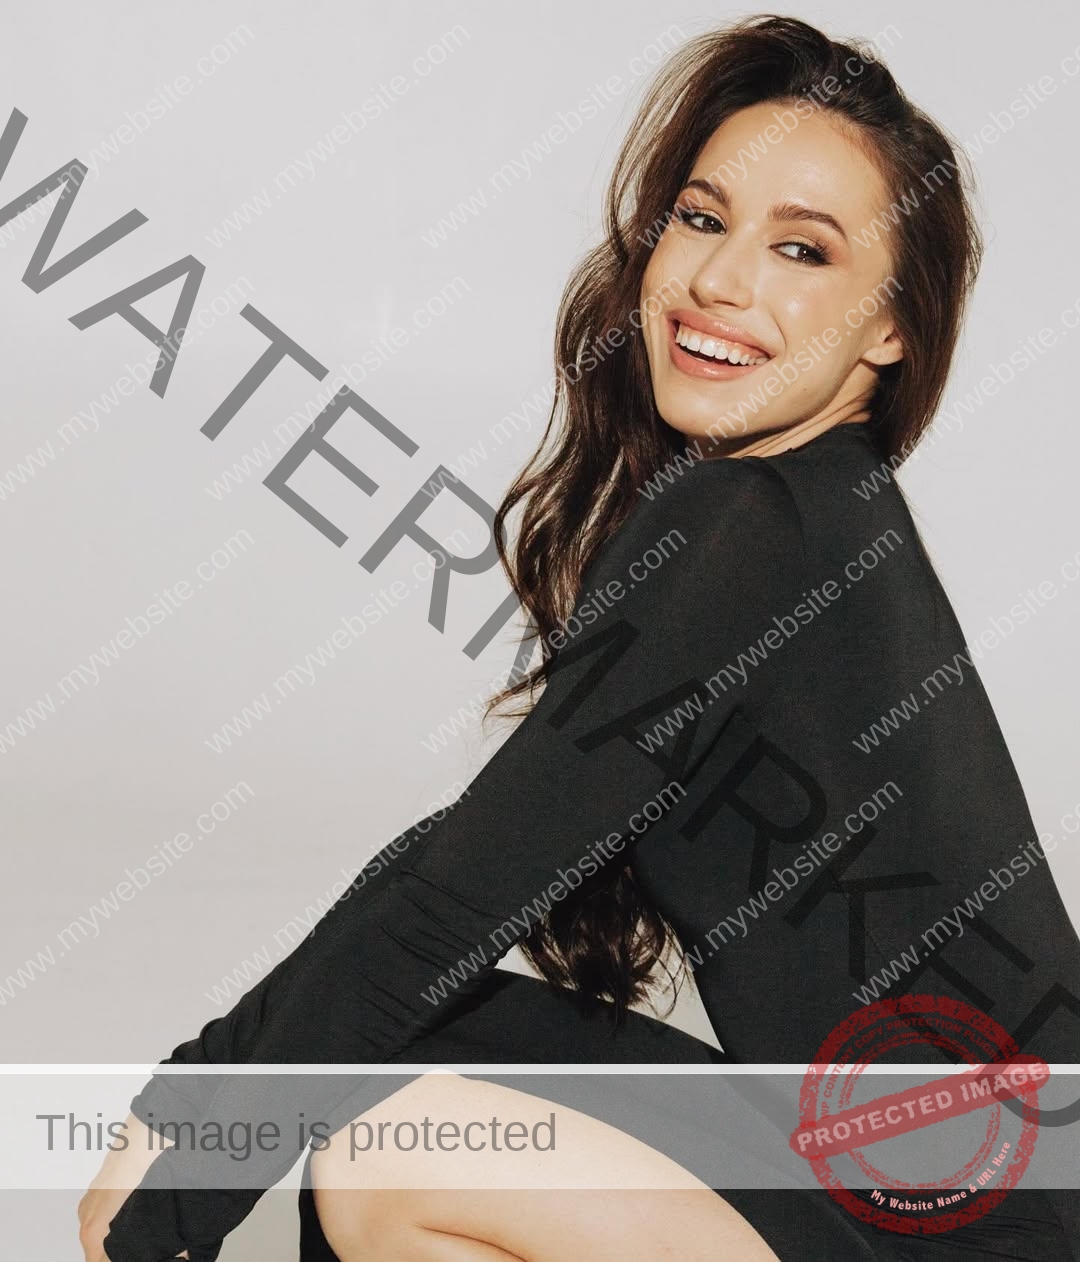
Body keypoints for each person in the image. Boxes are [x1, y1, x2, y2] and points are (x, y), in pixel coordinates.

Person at [80, 15, 1080, 1261]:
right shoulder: (795, 509)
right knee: (391, 1074)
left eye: (801, 249)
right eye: (703, 219)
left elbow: (452, 900)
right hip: (926, 1184)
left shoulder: (764, 527)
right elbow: (465, 860)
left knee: (396, 1141)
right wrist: (201, 1096)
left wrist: (173, 1184)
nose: (719, 281)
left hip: (973, 1226)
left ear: (892, 326)